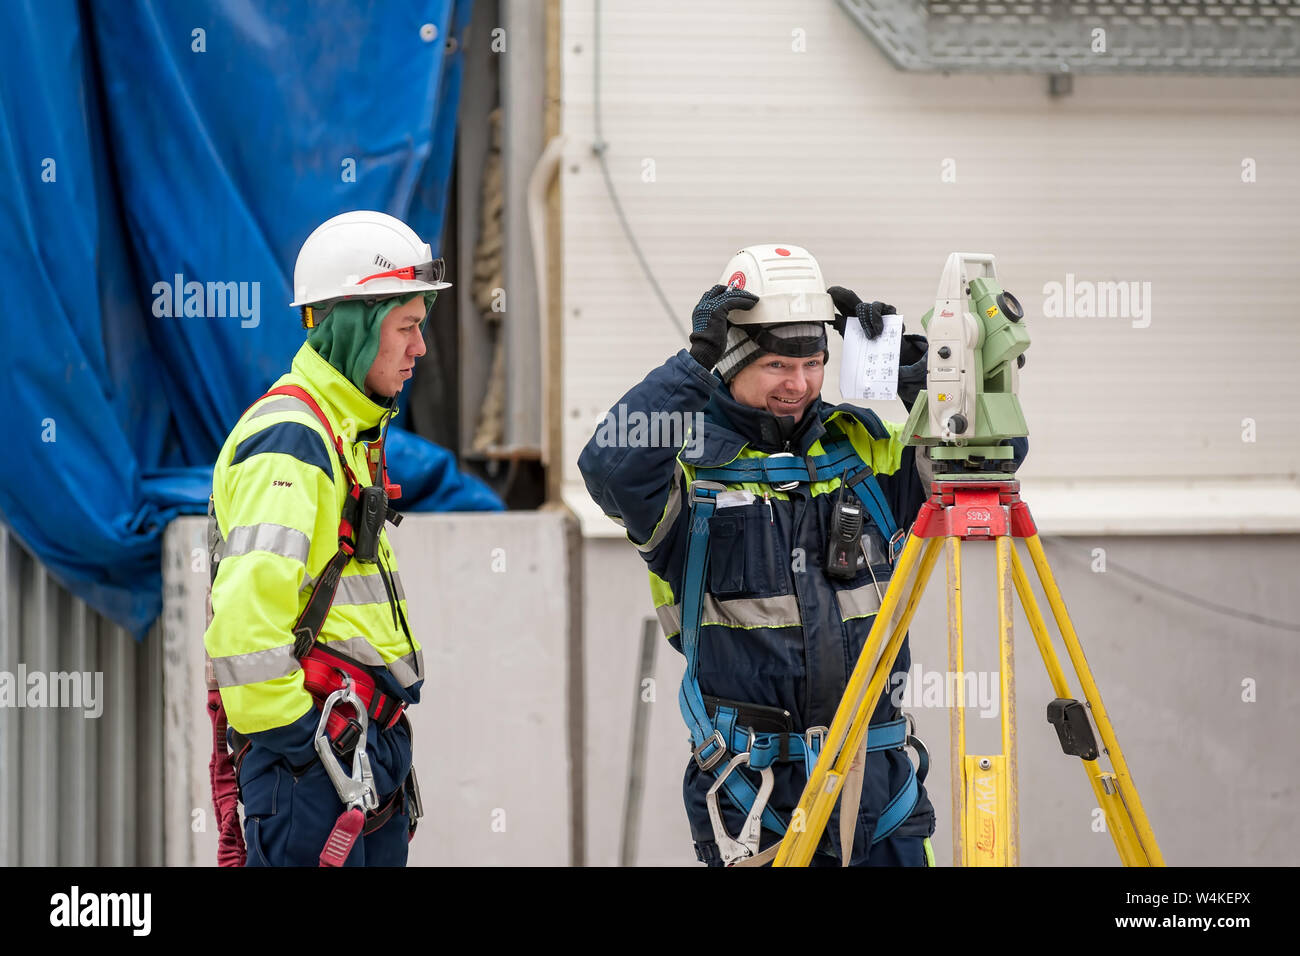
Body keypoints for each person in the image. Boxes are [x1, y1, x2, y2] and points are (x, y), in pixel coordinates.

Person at [580, 244, 1026, 866]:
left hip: (878, 785)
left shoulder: (862, 454)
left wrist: (909, 362)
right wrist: (692, 364)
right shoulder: (690, 471)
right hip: (756, 796)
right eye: (776, 366)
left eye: (813, 362)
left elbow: (981, 454)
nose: (799, 384)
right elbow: (607, 464)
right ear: (731, 364)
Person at [204, 210, 449, 867]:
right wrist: (309, 743)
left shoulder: (343, 435)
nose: (419, 349)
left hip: (356, 755)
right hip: (317, 770)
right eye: (407, 326)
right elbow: (244, 633)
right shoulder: (294, 442)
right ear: (356, 326)